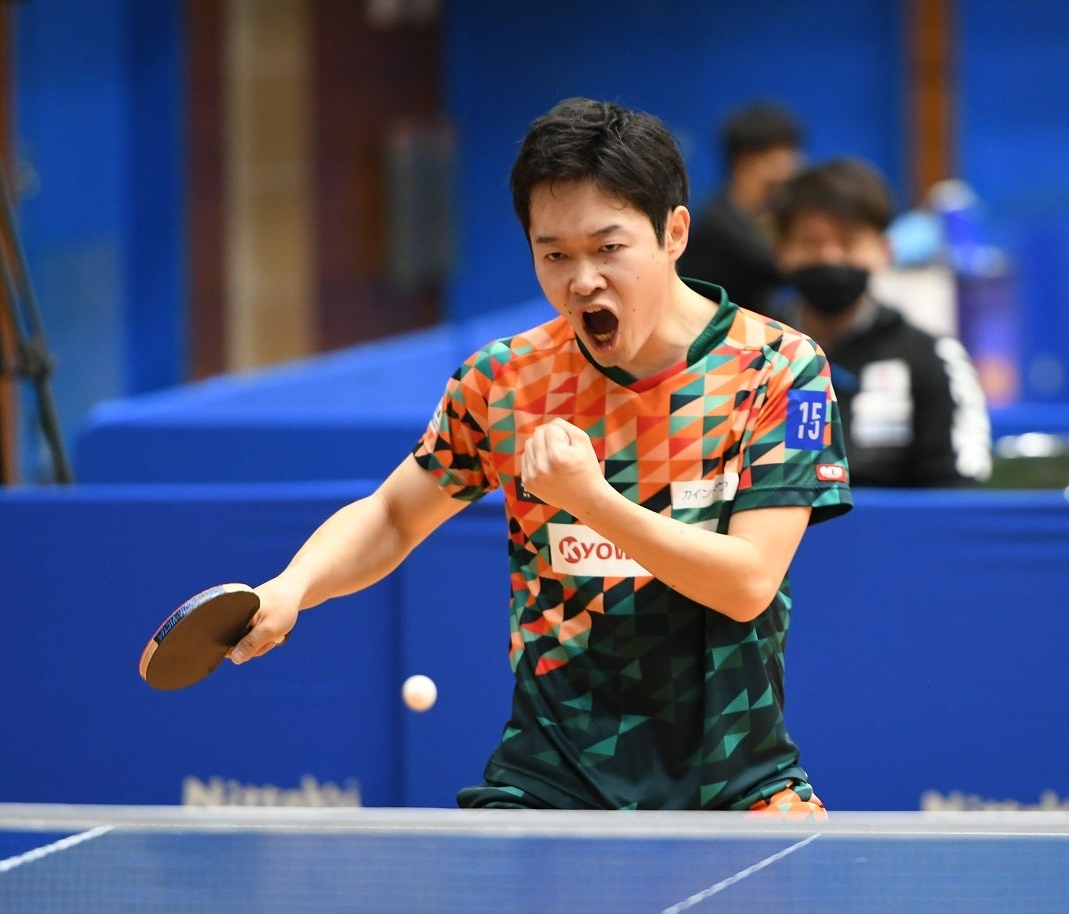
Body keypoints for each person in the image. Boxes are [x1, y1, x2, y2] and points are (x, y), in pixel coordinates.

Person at [230, 97, 852, 813]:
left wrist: (591, 501)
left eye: (608, 248)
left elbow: (748, 583)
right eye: (554, 254)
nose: (582, 280)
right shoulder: (505, 380)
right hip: (551, 783)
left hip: (737, 783)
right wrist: (294, 584)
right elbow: (394, 516)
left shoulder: (782, 370)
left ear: (674, 232)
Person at [771, 157, 992, 488]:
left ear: (884, 250)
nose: (830, 257)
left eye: (848, 242)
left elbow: (957, 491)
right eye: (810, 242)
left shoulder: (932, 358)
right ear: (780, 251)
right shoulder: (750, 354)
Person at [678, 101, 804, 315]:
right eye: (786, 152)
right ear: (748, 159)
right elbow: (777, 266)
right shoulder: (717, 222)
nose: (797, 163)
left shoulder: (760, 214)